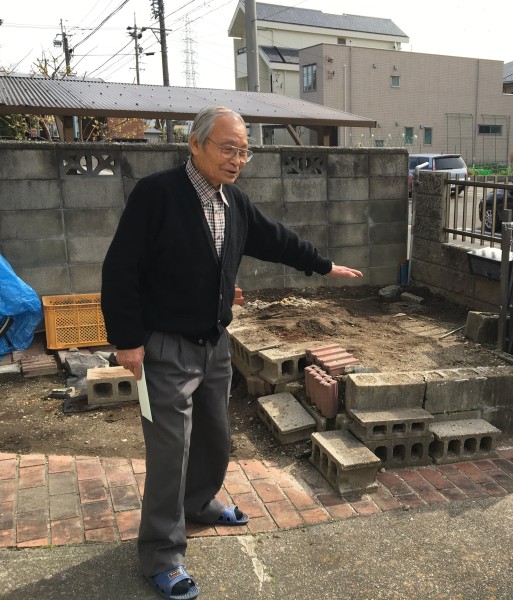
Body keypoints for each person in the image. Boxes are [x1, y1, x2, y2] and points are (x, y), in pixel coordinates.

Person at [101, 105, 363, 600]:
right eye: (228, 147)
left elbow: (276, 239)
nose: (237, 158)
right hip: (164, 347)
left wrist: (325, 265)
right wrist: (126, 340)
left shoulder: (232, 202)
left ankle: (199, 503)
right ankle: (160, 552)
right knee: (169, 452)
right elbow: (121, 269)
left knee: (215, 438)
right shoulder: (156, 195)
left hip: (214, 343)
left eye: (244, 150)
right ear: (195, 144)